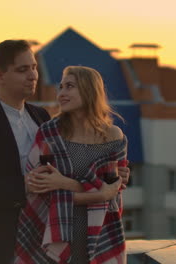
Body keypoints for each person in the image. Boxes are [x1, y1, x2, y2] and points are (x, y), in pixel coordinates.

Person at [0, 40, 130, 264]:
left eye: (34, 67)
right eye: (22, 70)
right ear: (0, 76)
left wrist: (116, 173)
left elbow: (73, 170)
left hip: (45, 240)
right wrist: (24, 185)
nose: (33, 75)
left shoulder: (43, 119)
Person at [15, 66, 128, 264]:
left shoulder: (114, 137)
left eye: (69, 87)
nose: (61, 93)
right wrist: (99, 194)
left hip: (102, 234)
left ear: (89, 90)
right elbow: (40, 189)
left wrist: (63, 183)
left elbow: (115, 191)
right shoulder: (49, 134)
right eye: (60, 87)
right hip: (54, 234)